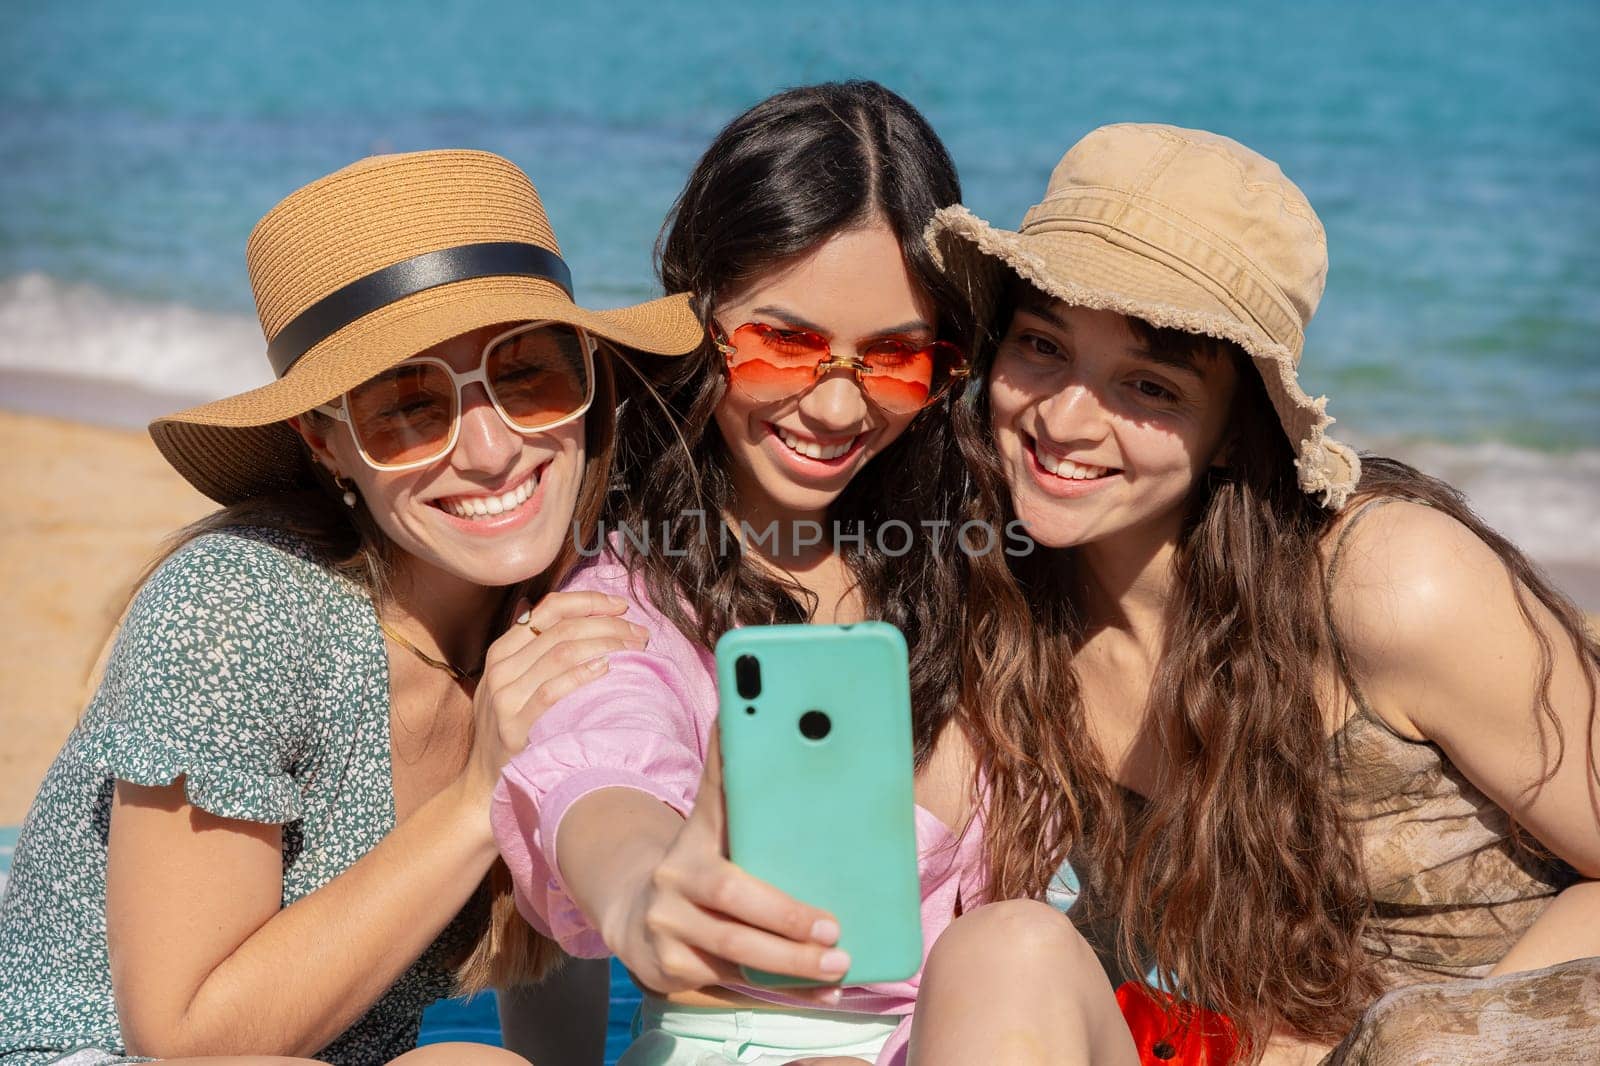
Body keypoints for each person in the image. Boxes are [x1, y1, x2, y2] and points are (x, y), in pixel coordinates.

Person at [0, 149, 704, 1065]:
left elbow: (550, 950)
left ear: (590, 384)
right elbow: (182, 1042)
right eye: (409, 406)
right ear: (324, 442)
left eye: (529, 374)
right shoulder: (241, 608)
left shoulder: (560, 604)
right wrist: (477, 794)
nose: (491, 452)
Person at [492, 83, 1138, 1066]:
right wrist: (641, 890)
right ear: (700, 313)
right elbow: (603, 772)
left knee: (1016, 949)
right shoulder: (626, 597)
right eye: (785, 343)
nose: (838, 410)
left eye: (892, 359)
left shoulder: (991, 558)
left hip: (993, 1033)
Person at [927, 123, 1600, 1065]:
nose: (1063, 419)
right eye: (1041, 345)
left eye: (1149, 387)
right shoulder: (1003, 597)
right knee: (1002, 952)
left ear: (1237, 431)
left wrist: (1439, 1039)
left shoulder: (1387, 584)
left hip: (1488, 1042)